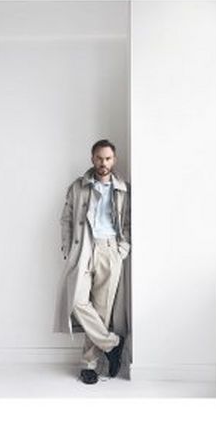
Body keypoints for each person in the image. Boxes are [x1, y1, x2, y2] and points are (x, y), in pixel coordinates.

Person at [54, 139, 131, 385]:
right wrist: (67, 248)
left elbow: (128, 223)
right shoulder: (78, 187)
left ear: (114, 160)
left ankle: (89, 365)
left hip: (110, 250)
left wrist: (122, 248)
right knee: (76, 301)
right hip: (84, 248)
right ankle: (112, 344)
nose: (103, 163)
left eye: (108, 158)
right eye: (99, 158)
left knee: (101, 310)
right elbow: (65, 218)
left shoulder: (123, 189)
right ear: (92, 158)